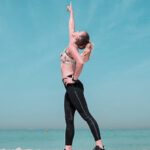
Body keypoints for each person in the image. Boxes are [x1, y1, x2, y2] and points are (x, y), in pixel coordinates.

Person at [60, 2, 105, 150]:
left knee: (86, 115)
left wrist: (74, 78)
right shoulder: (71, 43)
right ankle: (68, 148)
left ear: (77, 39)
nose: (76, 30)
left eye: (78, 32)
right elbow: (71, 26)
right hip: (70, 88)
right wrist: (71, 12)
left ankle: (100, 146)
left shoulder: (72, 48)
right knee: (69, 120)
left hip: (73, 86)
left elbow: (80, 62)